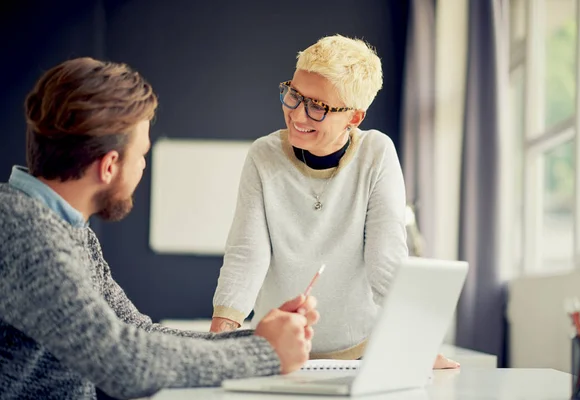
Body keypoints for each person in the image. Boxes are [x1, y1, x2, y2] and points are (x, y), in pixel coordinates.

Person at [0, 57, 319, 400]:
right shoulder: (26, 234)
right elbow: (126, 364)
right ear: (109, 166)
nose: (142, 169)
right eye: (141, 156)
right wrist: (265, 354)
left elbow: (137, 333)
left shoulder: (62, 227)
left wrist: (261, 338)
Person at [210, 35, 458, 369]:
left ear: (354, 117)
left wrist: (419, 345)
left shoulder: (377, 154)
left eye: (318, 107)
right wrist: (218, 342)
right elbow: (246, 256)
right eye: (294, 95)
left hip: (360, 352)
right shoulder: (263, 156)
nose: (298, 115)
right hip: (279, 351)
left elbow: (386, 262)